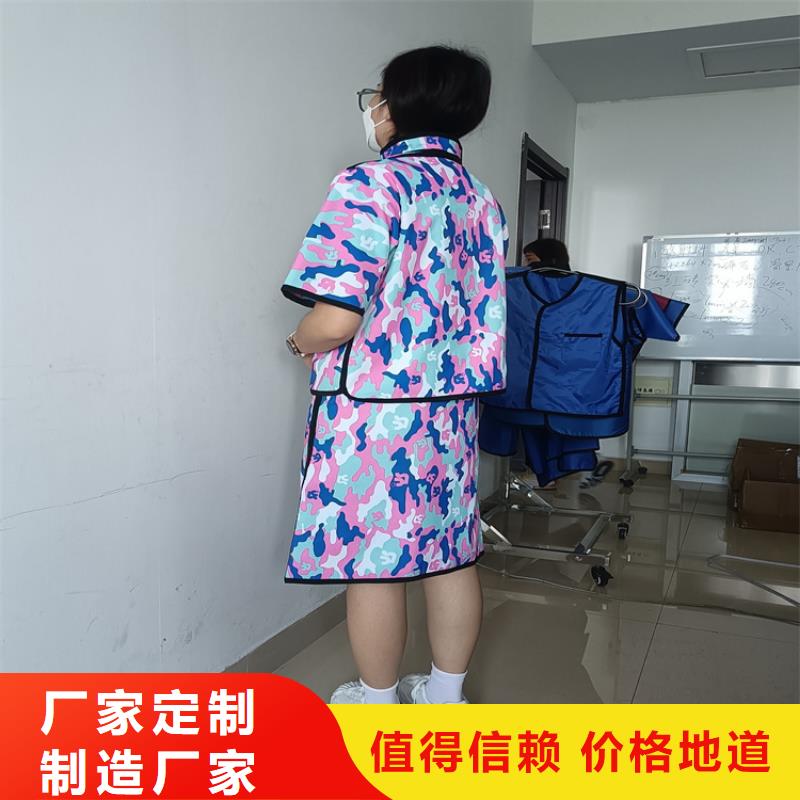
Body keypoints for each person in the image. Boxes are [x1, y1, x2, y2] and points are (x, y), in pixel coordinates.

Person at [280, 45, 508, 705]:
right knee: (449, 550)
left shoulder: (372, 184)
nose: (373, 108)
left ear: (398, 103)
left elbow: (333, 320)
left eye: (376, 96)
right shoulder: (481, 201)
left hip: (375, 412)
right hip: (451, 410)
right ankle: (445, 696)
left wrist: (297, 343)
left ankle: (376, 706)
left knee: (375, 562)